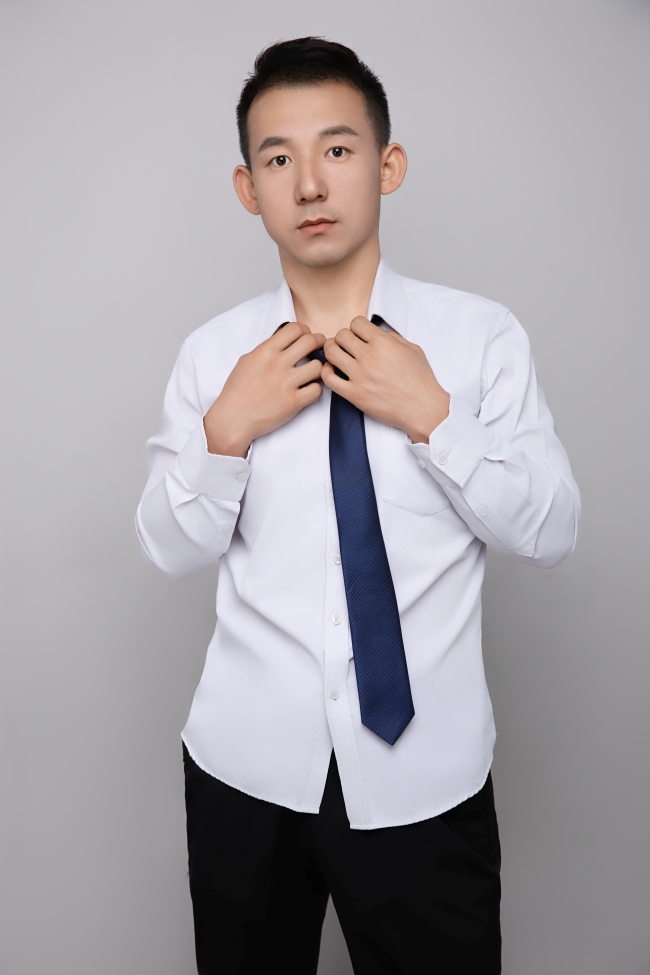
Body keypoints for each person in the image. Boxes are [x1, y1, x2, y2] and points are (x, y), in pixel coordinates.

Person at [136, 36, 579, 975]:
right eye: (278, 159)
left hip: (426, 778)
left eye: (337, 149)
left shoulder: (479, 339)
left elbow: (552, 530)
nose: (310, 184)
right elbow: (168, 548)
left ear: (388, 165)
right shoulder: (213, 357)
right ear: (248, 188)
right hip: (245, 773)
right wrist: (226, 429)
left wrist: (434, 416)